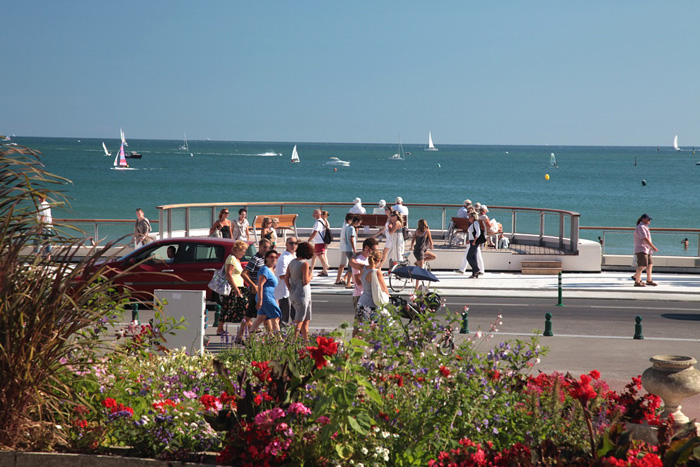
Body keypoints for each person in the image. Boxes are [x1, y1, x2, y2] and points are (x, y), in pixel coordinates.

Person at [239, 239, 271, 340]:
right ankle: (240, 336)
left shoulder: (265, 259)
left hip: (263, 291)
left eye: (268, 247)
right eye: (264, 247)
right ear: (260, 246)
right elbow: (244, 273)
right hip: (255, 292)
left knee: (266, 315)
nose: (266, 249)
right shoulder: (255, 259)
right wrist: (253, 285)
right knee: (249, 315)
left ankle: (271, 336)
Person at [216, 240, 249, 335]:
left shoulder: (237, 259)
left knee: (244, 307)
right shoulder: (231, 258)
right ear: (237, 250)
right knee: (227, 308)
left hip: (240, 286)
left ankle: (250, 326)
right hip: (233, 287)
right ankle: (220, 328)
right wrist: (236, 288)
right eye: (243, 250)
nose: (244, 253)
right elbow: (228, 274)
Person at [349, 238, 380, 336]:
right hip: (360, 296)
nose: (375, 253)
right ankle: (353, 347)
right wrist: (370, 282)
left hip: (369, 298)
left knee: (373, 326)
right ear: (367, 248)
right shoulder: (359, 261)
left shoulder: (366, 260)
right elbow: (358, 282)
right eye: (374, 250)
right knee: (359, 327)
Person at [249, 250, 282, 336]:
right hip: (266, 297)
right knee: (275, 318)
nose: (274, 259)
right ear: (266, 258)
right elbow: (260, 285)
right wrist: (260, 300)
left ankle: (250, 340)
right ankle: (279, 341)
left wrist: (276, 299)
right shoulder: (264, 269)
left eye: (276, 257)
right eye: (271, 257)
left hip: (271, 297)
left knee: (260, 319)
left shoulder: (272, 269)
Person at [286, 241, 314, 341]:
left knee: (306, 319)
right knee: (300, 320)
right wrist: (311, 275)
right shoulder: (304, 264)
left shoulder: (292, 262)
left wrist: (291, 289)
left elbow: (286, 278)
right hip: (303, 294)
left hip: (294, 292)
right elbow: (305, 281)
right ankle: (294, 340)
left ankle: (306, 340)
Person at [356, 250, 389, 332]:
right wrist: (388, 296)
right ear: (378, 261)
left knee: (363, 329)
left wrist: (354, 255)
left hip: (362, 303)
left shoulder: (363, 269)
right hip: (372, 304)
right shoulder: (376, 272)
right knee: (378, 327)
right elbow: (384, 289)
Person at [274, 236, 298, 326]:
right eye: (291, 243)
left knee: (295, 316)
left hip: (292, 290)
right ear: (286, 245)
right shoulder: (284, 258)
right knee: (285, 318)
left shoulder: (293, 256)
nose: (294, 245)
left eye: (296, 243)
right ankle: (281, 337)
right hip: (285, 291)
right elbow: (282, 275)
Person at [633, 214, 658, 287]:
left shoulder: (645, 227)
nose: (649, 221)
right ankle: (637, 281)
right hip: (642, 248)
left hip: (647, 249)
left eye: (649, 219)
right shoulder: (641, 227)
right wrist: (653, 246)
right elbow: (644, 238)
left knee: (650, 264)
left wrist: (650, 248)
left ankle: (649, 280)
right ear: (643, 219)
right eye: (648, 219)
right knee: (642, 265)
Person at [307, 209, 330, 276]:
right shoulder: (322, 221)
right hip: (319, 242)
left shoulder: (318, 223)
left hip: (319, 242)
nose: (313, 214)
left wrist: (309, 240)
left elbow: (315, 232)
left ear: (317, 214)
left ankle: (326, 267)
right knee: (314, 256)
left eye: (314, 213)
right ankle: (311, 270)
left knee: (321, 257)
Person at [335, 213, 354, 285]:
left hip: (343, 247)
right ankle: (345, 278)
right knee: (352, 264)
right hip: (347, 248)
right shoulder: (348, 227)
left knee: (343, 264)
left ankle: (338, 279)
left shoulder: (344, 225)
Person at [34, 194, 53, 260]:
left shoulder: (42, 205)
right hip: (48, 225)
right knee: (47, 241)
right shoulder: (47, 204)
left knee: (37, 241)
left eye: (39, 198)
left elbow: (43, 215)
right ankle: (48, 257)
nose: (38, 199)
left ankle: (36, 257)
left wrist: (40, 227)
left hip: (43, 226)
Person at [466, 212, 482, 278]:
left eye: (470, 217)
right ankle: (474, 273)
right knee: (473, 257)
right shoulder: (473, 224)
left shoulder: (475, 223)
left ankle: (477, 269)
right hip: (472, 241)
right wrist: (469, 239)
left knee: (468, 257)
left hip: (474, 241)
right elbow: (471, 233)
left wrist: (474, 241)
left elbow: (478, 232)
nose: (468, 218)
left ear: (473, 217)